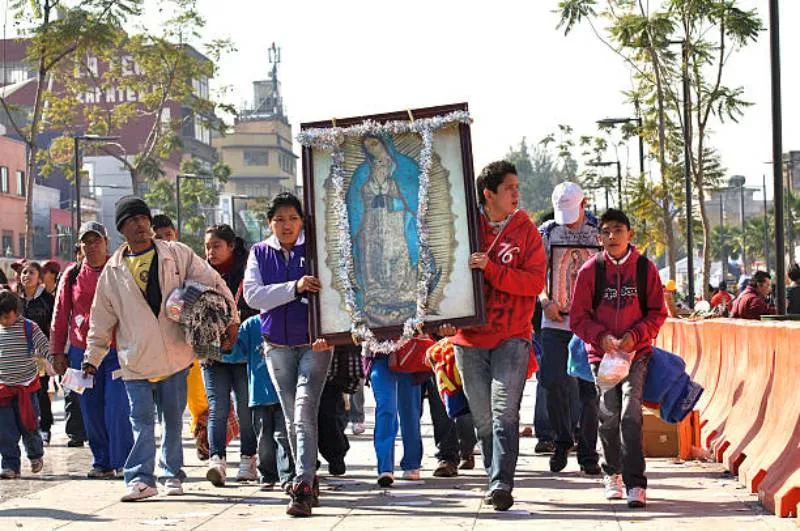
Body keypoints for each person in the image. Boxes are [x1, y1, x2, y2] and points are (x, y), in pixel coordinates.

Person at [84, 196, 238, 502]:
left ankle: (171, 473)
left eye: (144, 218)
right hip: (135, 358)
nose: (141, 225)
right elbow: (100, 319)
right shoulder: (112, 272)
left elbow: (214, 282)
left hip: (174, 353)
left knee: (171, 417)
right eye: (132, 221)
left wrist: (231, 319)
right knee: (140, 420)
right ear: (121, 229)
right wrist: (92, 358)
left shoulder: (177, 254)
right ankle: (141, 478)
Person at [449, 161, 547, 512]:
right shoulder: (462, 227)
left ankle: (501, 483)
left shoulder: (527, 231)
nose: (516, 194)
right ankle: (494, 475)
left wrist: (491, 270)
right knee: (483, 417)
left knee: (505, 411)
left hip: (513, 335)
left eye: (517, 187)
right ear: (489, 194)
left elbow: (534, 283)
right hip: (469, 338)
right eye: (509, 188)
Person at [570, 208, 667, 509]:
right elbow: (578, 319)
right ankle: (613, 474)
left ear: (630, 234)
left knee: (630, 414)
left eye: (618, 230)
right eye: (606, 231)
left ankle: (636, 484)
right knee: (608, 414)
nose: (612, 237)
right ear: (599, 237)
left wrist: (634, 337)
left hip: (636, 354)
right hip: (602, 356)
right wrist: (603, 339)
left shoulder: (645, 269)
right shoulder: (589, 271)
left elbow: (657, 313)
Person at [243, 192, 332, 518]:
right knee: (292, 415)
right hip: (276, 346)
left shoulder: (316, 249)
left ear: (302, 221)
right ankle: (307, 474)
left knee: (304, 409)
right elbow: (253, 296)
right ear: (270, 222)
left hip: (314, 344)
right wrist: (295, 287)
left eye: (293, 218)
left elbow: (336, 291)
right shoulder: (259, 252)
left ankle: (302, 485)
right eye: (279, 219)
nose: (286, 225)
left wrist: (331, 332)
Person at [53, 222, 135, 478]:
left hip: (115, 352)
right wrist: (58, 352)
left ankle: (123, 460)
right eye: (86, 242)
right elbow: (60, 314)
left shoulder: (120, 269)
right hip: (80, 353)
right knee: (90, 409)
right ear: (79, 245)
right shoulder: (72, 274)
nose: (91, 246)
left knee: (117, 407)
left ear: (106, 242)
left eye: (96, 241)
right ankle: (102, 461)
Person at [536, 182, 601, 476]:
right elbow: (535, 273)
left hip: (591, 323)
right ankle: (562, 438)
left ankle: (588, 451)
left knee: (590, 388)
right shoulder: (546, 233)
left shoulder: (601, 230)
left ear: (584, 203)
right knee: (552, 380)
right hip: (555, 319)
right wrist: (545, 301)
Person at [203, 224, 259, 486]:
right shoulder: (200, 273)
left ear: (231, 246)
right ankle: (217, 460)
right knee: (217, 408)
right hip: (212, 353)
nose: (210, 252)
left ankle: (249, 459)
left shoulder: (249, 271)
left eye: (216, 246)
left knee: (246, 408)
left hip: (244, 352)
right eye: (207, 247)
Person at [238, 314, 294, 491]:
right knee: (263, 440)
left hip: (283, 392)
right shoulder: (250, 325)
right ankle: (268, 474)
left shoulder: (287, 319)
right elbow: (236, 351)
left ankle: (287, 475)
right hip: (259, 394)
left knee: (283, 437)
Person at [0, 289, 50, 479]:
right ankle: (10, 466)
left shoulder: (29, 328)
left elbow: (45, 347)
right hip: (3, 390)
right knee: (5, 431)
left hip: (26, 389)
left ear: (16, 311)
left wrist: (57, 361)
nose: (4, 321)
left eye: (6, 316)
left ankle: (35, 455)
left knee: (29, 426)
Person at [365, 339, 425, 488]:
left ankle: (412, 463)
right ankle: (385, 468)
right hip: (377, 353)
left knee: (410, 410)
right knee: (385, 406)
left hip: (409, 351)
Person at [18, 262, 55, 447]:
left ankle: (45, 427)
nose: (26, 276)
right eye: (24, 272)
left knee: (41, 390)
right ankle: (25, 429)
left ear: (39, 277)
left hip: (41, 354)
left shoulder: (48, 300)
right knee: (22, 392)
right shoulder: (15, 300)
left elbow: (54, 326)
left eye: (31, 272)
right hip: (19, 354)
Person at [421, 371, 478, 477]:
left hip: (446, 358)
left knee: (446, 407)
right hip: (417, 359)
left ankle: (454, 455)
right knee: (414, 411)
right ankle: (447, 457)